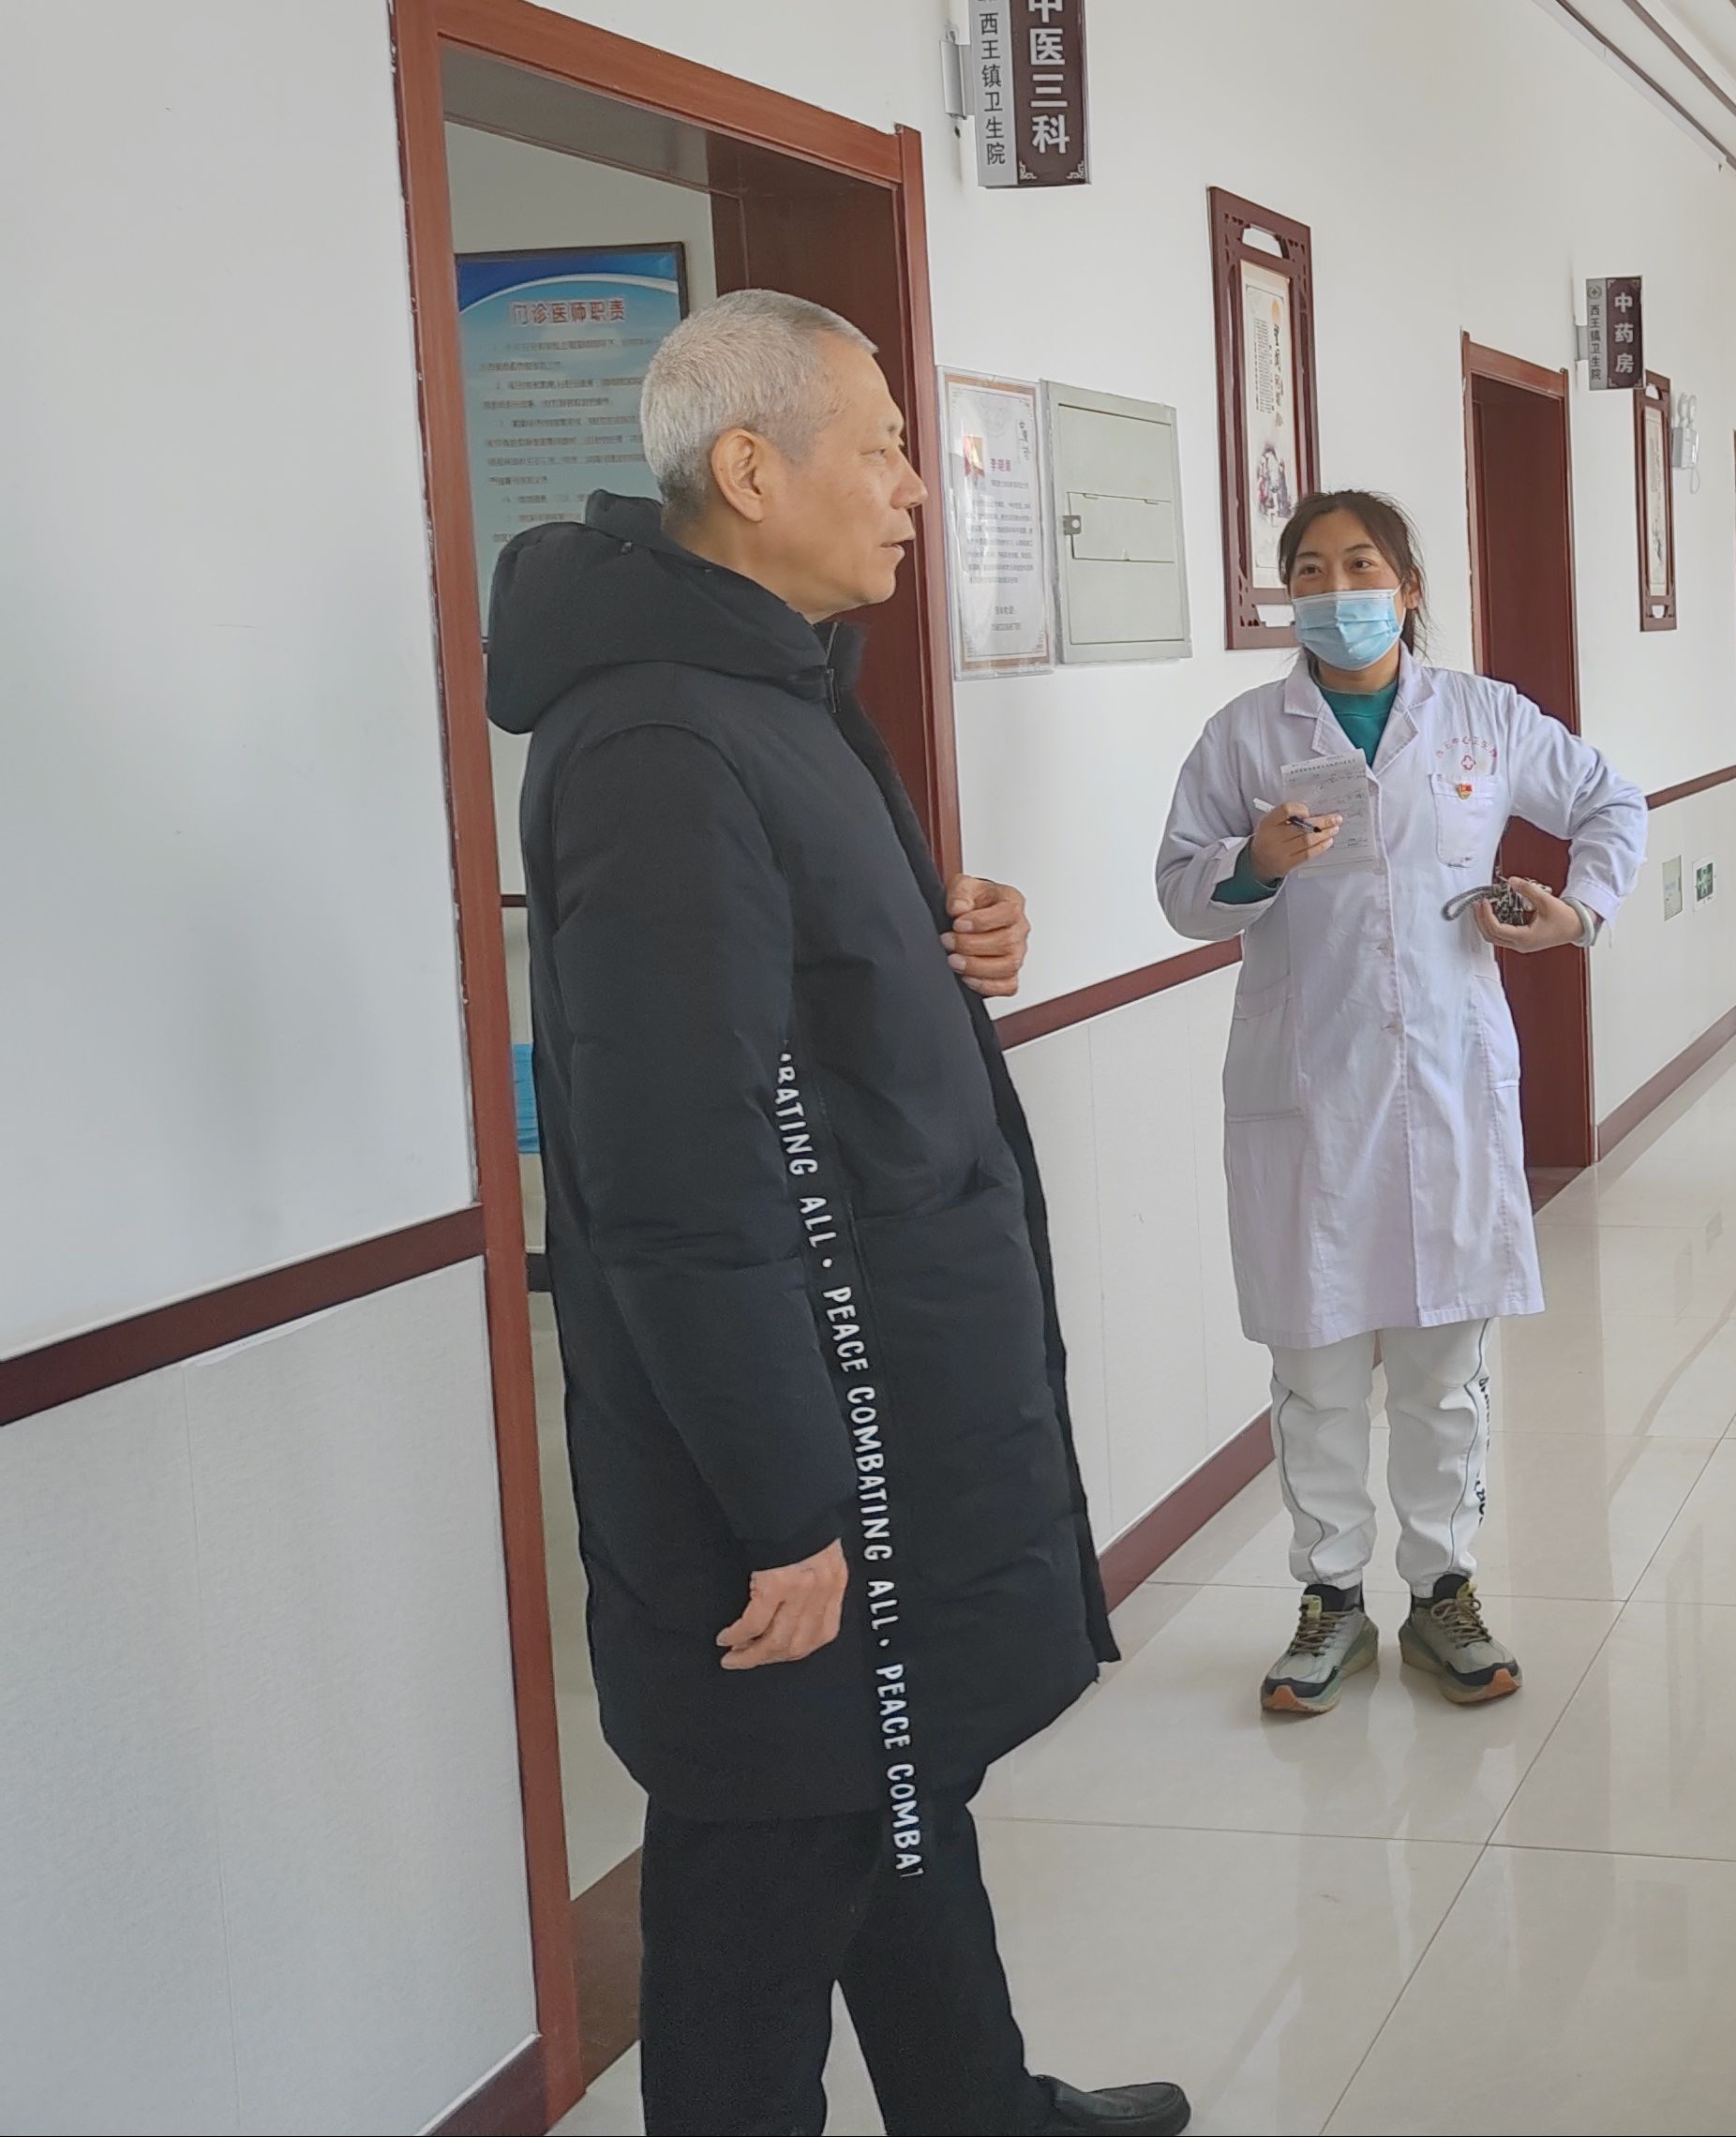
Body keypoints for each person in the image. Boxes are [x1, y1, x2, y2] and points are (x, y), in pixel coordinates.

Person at [491, 289, 1188, 2137]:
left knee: (896, 1783)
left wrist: (949, 941)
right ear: (750, 468)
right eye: (882, 446)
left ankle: (983, 2109)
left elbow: (795, 1009)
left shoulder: (773, 687)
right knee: (766, 1866)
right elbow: (674, 1166)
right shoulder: (660, 741)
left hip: (871, 1368)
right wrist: (788, 1497)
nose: (913, 486)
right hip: (802, 1429)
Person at [1156, 489, 1646, 1716]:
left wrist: (1577, 911)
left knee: (1440, 1367)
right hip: (1307, 1092)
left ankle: (1442, 1592)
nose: (1337, 592)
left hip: (1446, 1083)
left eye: (1361, 565)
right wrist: (1253, 864)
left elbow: (1611, 802)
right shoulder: (1245, 735)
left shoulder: (1483, 717)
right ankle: (1330, 1601)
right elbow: (1179, 889)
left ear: (1409, 587)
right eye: (1309, 572)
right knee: (1316, 1368)